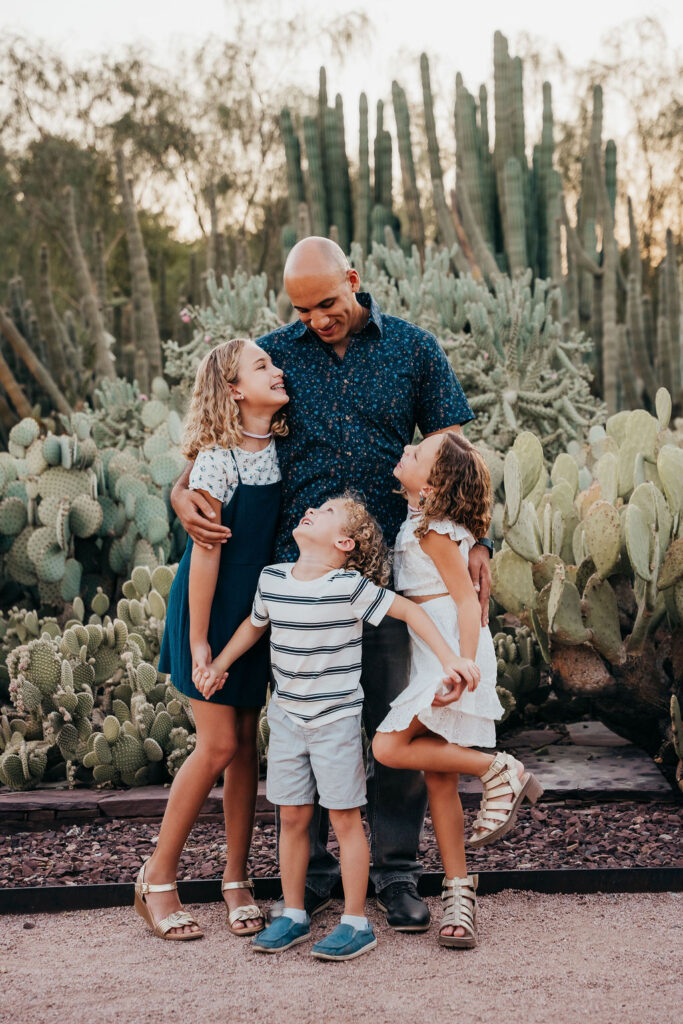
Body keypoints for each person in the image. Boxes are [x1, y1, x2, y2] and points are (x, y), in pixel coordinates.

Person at [171, 236, 493, 932]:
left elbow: (458, 458)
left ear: (352, 280)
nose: (317, 319)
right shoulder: (272, 352)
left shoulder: (412, 348)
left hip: (388, 571)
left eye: (327, 303)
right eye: (302, 309)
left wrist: (479, 541)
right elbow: (219, 434)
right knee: (311, 719)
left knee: (387, 719)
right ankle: (314, 875)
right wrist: (179, 489)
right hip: (302, 580)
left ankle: (397, 873)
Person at [193, 494, 479, 960]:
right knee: (291, 817)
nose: (311, 510)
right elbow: (254, 625)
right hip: (287, 719)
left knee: (346, 820)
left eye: (326, 512)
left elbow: (409, 612)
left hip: (336, 723)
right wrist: (219, 663)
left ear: (344, 542)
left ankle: (355, 921)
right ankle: (293, 914)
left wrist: (450, 659)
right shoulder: (273, 579)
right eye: (315, 508)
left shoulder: (350, 587)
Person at [133, 338, 288, 940]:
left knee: (248, 743)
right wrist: (198, 643)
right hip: (210, 610)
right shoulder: (217, 460)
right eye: (261, 366)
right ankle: (158, 877)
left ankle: (235, 878)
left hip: (255, 618)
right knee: (218, 745)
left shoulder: (277, 448)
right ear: (232, 391)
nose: (276, 370)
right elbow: (205, 555)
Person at [372, 432, 544, 948]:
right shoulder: (420, 522)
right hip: (433, 650)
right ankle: (459, 893)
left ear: (433, 484)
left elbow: (469, 603)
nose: (406, 451)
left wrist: (462, 664)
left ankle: (499, 768)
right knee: (438, 779)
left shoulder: (436, 532)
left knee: (388, 745)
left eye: (418, 454)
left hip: (449, 651)